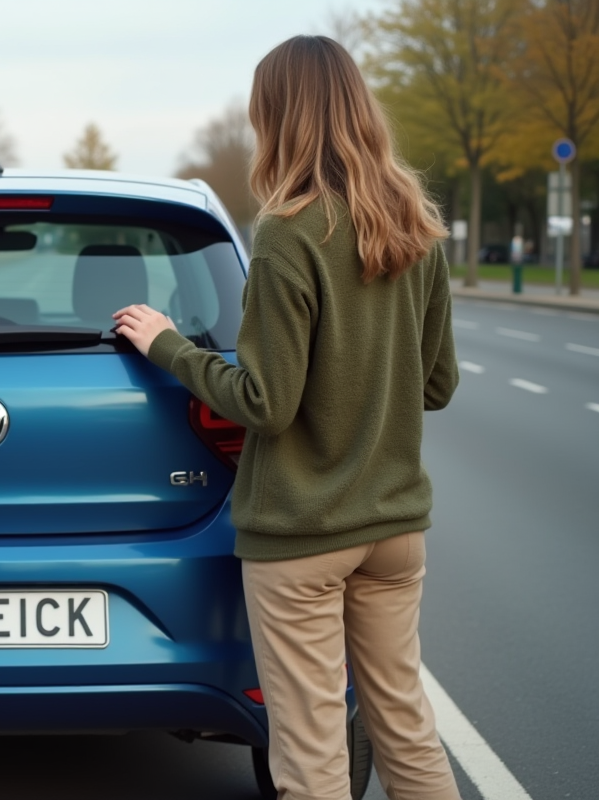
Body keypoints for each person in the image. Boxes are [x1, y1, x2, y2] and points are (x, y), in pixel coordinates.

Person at [114, 35, 461, 800]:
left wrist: (167, 345)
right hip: (394, 532)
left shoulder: (286, 233)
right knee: (407, 732)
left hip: (303, 538)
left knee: (311, 758)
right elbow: (436, 386)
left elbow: (266, 401)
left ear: (277, 117)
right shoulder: (415, 226)